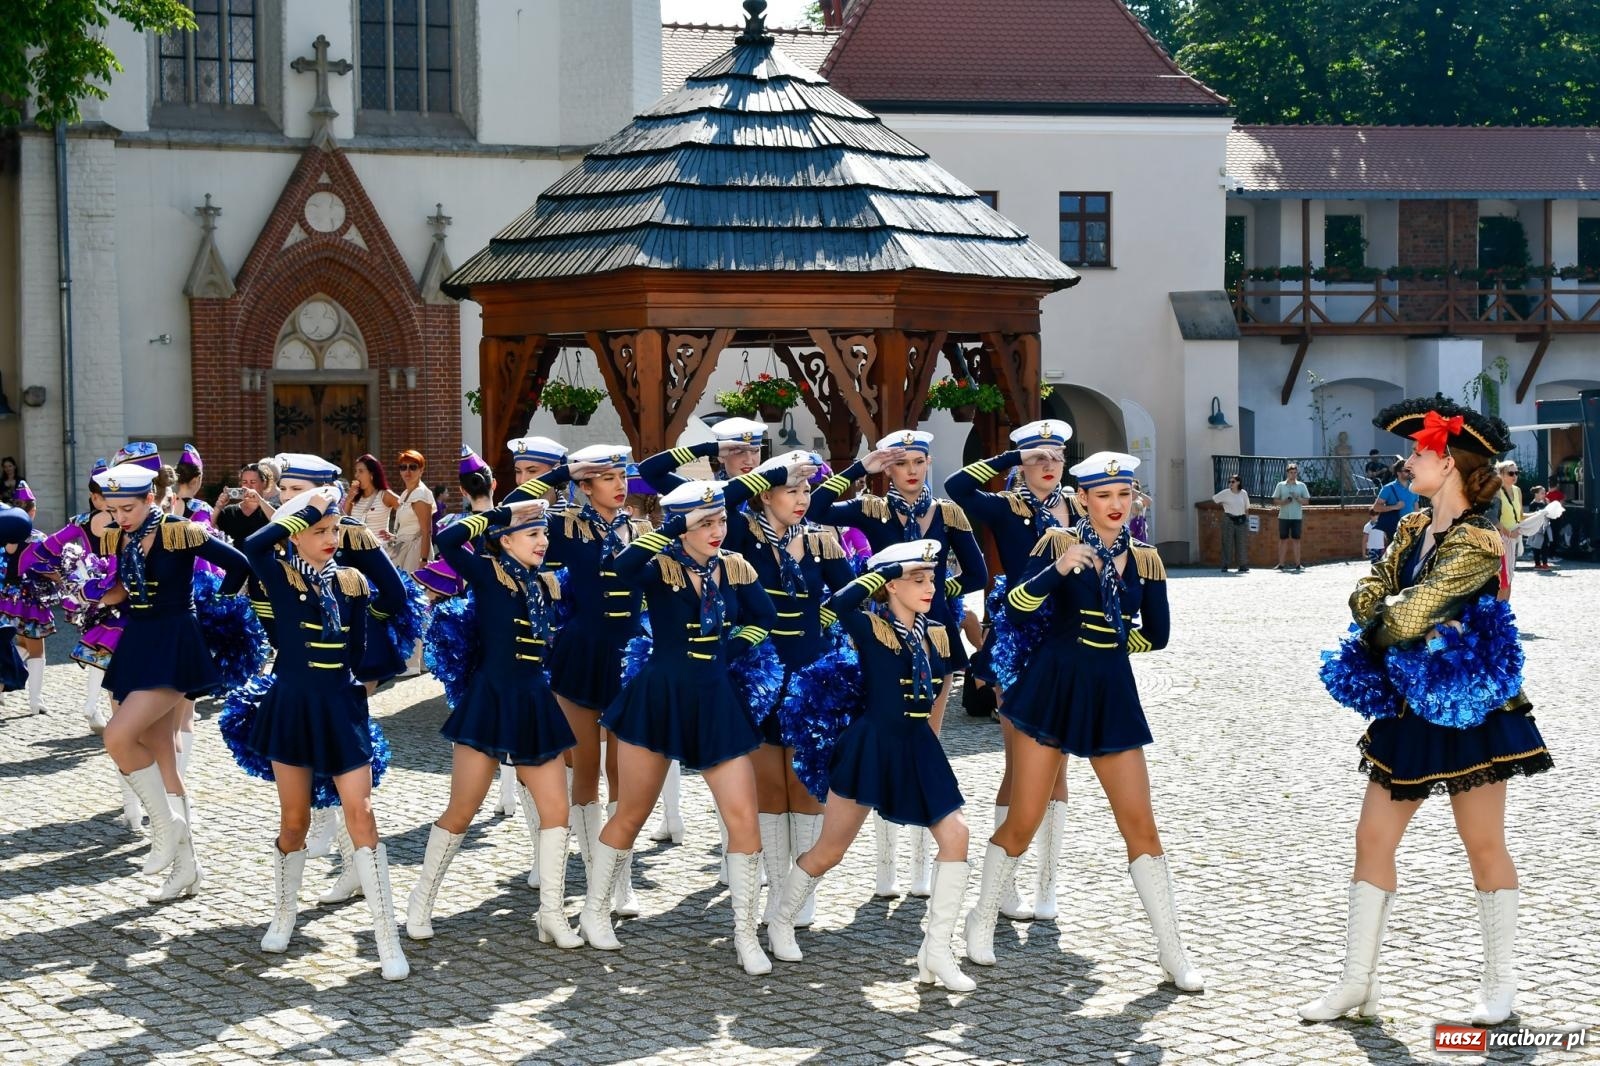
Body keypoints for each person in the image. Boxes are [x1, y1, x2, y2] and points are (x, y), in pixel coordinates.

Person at [1302, 397, 1551, 1025]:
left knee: (1483, 843)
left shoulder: (1479, 539)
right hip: (1410, 708)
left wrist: (1386, 618)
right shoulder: (1413, 528)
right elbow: (1369, 592)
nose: (1408, 460)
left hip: (1471, 711)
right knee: (1371, 838)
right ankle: (1358, 983)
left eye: (1419, 452)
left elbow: (1409, 613)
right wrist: (1384, 616)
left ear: (1450, 463)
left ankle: (1501, 985)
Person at [965, 451, 1204, 992]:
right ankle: (980, 921)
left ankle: (1173, 952)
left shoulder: (1146, 559)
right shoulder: (1056, 544)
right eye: (1103, 496)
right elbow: (1018, 609)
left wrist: (1108, 643)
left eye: (1124, 495)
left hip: (1111, 693)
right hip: (1051, 688)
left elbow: (1159, 635)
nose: (1115, 506)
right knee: (1024, 819)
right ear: (1082, 500)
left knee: (1140, 825)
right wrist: (1061, 567)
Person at [638, 443, 846, 932]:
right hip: (759, 673)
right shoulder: (742, 540)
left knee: (808, 783)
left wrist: (819, 625)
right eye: (789, 490)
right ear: (764, 495)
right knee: (769, 787)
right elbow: (692, 492)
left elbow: (853, 592)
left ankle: (799, 896)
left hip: (812, 674)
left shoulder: (822, 541)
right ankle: (774, 893)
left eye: (806, 489)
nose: (801, 499)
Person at [582, 480, 778, 974]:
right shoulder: (657, 566)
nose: (717, 530)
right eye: (704, 522)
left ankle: (744, 933)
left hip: (715, 700)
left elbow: (764, 616)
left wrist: (729, 651)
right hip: (659, 698)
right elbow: (617, 571)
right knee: (632, 812)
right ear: (682, 524)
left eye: (721, 521)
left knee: (743, 815)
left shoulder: (735, 565)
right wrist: (670, 528)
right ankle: (594, 910)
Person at [766, 540, 974, 991]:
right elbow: (839, 600)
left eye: (931, 578)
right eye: (916, 579)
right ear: (890, 585)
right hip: (872, 745)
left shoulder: (935, 631)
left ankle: (935, 951)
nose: (928, 587)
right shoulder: (870, 627)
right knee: (831, 851)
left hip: (918, 746)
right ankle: (780, 919)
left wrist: (933, 740)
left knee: (957, 834)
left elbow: (941, 686)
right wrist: (883, 572)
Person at [237, 487, 410, 980]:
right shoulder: (278, 573)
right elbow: (253, 546)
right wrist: (304, 514)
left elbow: (389, 606)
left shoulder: (352, 582)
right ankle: (284, 914)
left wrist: (362, 540)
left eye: (335, 529)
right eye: (320, 532)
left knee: (362, 813)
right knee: (294, 822)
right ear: (295, 537)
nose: (331, 538)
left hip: (341, 707)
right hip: (291, 706)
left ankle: (386, 937)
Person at [808, 431, 987, 900]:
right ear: (888, 469)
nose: (911, 470)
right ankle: (885, 868)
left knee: (924, 740)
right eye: (901, 463)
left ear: (929, 464)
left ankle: (920, 867)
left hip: (936, 636)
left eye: (919, 461)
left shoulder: (947, 513)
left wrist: (930, 592)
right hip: (881, 635)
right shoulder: (871, 508)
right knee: (884, 734)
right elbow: (816, 510)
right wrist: (857, 471)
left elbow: (977, 573)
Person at [406, 498, 584, 950]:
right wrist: (505, 512)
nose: (543, 542)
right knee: (462, 810)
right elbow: (447, 540)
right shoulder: (487, 573)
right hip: (489, 702)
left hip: (533, 703)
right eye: (532, 535)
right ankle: (420, 901)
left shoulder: (543, 584)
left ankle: (552, 913)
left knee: (557, 812)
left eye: (544, 534)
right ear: (505, 541)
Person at [502, 446, 652, 917]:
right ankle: (591, 873)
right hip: (579, 656)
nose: (619, 484)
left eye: (621, 475)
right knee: (584, 769)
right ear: (585, 486)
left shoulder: (640, 530)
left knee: (623, 774)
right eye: (605, 478)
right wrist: (563, 472)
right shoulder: (565, 528)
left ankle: (617, 877)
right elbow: (510, 511)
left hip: (629, 656)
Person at [90, 461, 249, 901]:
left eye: (128, 508)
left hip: (174, 643)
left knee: (118, 736)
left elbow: (238, 565)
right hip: (139, 641)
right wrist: (97, 600)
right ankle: (187, 869)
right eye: (114, 508)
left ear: (149, 499)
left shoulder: (180, 530)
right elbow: (128, 588)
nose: (120, 517)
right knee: (162, 756)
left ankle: (166, 826)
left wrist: (216, 613)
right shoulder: (124, 536)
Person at [945, 419, 1080, 923]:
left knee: (1060, 765)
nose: (1048, 467)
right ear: (1023, 465)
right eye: (1037, 459)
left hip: (1067, 642)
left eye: (1055, 457)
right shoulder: (1004, 506)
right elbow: (957, 487)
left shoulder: (1080, 506)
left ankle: (1048, 883)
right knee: (1022, 765)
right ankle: (1005, 883)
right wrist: (1009, 459)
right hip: (1018, 642)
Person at [0, 482, 53, 715]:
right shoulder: (39, 538)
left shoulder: (5, 538)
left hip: (6, 598)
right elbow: (47, 567)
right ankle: (35, 701)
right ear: (32, 511)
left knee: (8, 644)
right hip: (31, 599)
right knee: (36, 649)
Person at [385, 450, 435, 573]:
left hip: (415, 552)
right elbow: (410, 525)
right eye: (403, 467)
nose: (407, 472)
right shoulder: (406, 494)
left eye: (412, 467)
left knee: (413, 589)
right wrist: (394, 537)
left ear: (421, 470)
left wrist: (423, 560)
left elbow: (426, 531)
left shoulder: (420, 494)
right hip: (402, 549)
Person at [213, 463, 276, 548]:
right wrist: (218, 507)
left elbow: (281, 523)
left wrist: (260, 501)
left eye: (253, 482)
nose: (248, 486)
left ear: (264, 483)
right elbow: (211, 530)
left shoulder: (273, 508)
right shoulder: (229, 511)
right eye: (244, 482)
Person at [343, 454, 393, 541]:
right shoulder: (355, 497)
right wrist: (348, 499)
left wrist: (396, 536)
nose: (356, 475)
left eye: (361, 471)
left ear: (371, 474)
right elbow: (343, 521)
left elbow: (406, 511)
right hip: (357, 551)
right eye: (356, 471)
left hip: (378, 551)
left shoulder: (384, 495)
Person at [1272, 463, 1311, 572]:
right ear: (1287, 473)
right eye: (1291, 473)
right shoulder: (1280, 485)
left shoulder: (1301, 486)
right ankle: (1281, 564)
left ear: (1297, 473)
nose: (1293, 475)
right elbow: (1275, 501)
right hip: (1283, 516)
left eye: (1295, 473)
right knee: (1283, 540)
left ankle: (1298, 564)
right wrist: (1284, 502)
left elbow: (1307, 501)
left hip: (1296, 517)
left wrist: (1298, 498)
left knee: (1296, 540)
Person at [1493, 460, 1523, 601]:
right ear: (1501, 474)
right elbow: (1493, 519)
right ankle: (1499, 615)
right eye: (1511, 473)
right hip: (1502, 539)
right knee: (1503, 579)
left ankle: (1505, 610)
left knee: (1509, 577)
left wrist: (1541, 514)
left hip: (1513, 540)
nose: (1514, 476)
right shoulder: (1496, 492)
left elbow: (1520, 516)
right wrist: (1508, 532)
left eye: (1516, 472)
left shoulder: (1517, 491)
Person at [1211, 475, 1251, 573]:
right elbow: (1215, 499)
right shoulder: (1225, 493)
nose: (1230, 484)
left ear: (1238, 482)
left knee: (1241, 542)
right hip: (1229, 519)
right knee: (1227, 542)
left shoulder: (1243, 493)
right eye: (1229, 482)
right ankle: (1225, 564)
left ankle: (1242, 564)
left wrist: (1246, 520)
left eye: (1233, 482)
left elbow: (1247, 508)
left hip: (1241, 519)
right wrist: (1223, 504)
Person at [1371, 462, 1418, 542]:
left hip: (1411, 528)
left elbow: (1416, 508)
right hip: (1394, 528)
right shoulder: (1388, 488)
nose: (1409, 472)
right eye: (1406, 470)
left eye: (1410, 470)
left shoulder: (1414, 487)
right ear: (1398, 473)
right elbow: (1376, 508)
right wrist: (1395, 507)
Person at [1525, 486, 1553, 570]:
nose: (1544, 495)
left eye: (1544, 493)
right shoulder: (1533, 504)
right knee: (1536, 546)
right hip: (1536, 528)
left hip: (1545, 527)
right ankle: (1537, 563)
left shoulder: (1544, 503)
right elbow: (1531, 516)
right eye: (1542, 493)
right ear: (1536, 494)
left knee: (1545, 545)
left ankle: (1545, 563)